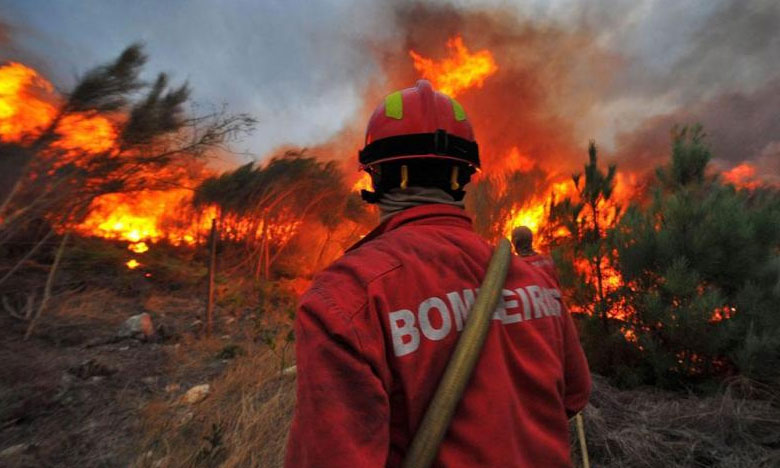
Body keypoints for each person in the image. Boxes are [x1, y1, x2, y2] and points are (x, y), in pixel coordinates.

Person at [284, 80, 591, 467]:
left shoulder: (347, 298)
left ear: (374, 176)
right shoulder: (535, 279)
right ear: (464, 176)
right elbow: (574, 397)